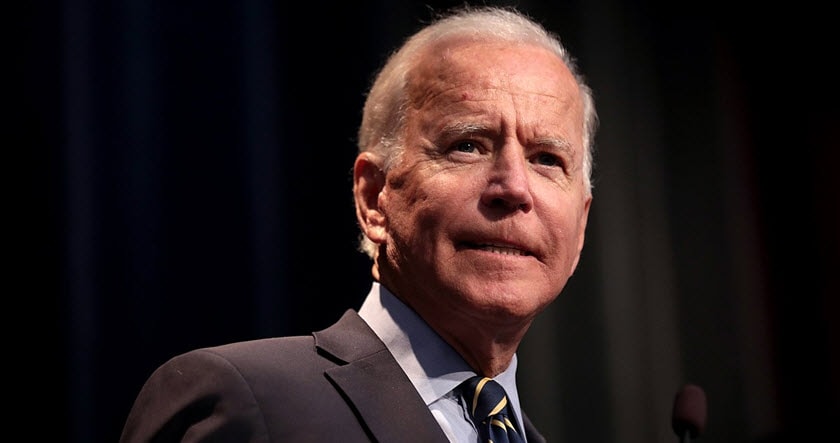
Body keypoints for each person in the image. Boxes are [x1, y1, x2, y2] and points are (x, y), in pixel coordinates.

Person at [119, 4, 596, 442]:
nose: (513, 188)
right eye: (466, 145)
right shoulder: (247, 401)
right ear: (374, 198)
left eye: (547, 158)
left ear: (580, 228)